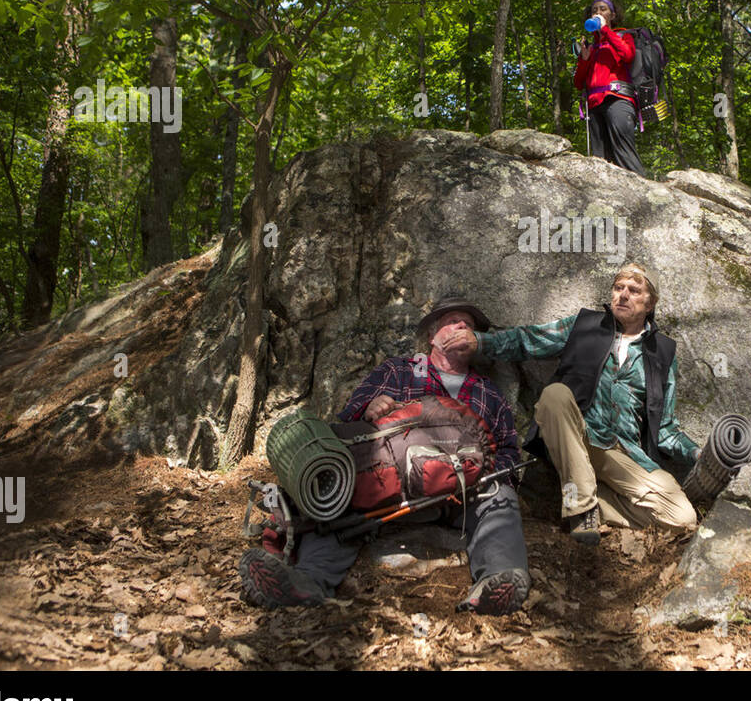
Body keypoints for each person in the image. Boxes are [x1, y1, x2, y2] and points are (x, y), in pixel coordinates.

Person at [239, 296, 530, 615]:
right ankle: (305, 583)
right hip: (387, 487)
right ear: (432, 337)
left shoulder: (489, 392)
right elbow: (343, 431)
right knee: (336, 495)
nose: (462, 327)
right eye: (452, 321)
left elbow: (508, 453)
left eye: (469, 325)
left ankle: (496, 581)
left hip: (459, 495)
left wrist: (485, 473)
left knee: (499, 496)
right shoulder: (397, 371)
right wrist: (369, 410)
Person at [474, 263, 698, 545]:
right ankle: (581, 509)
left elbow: (665, 429)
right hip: (576, 434)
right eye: (619, 288)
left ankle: (577, 495)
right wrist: (479, 342)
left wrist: (698, 453)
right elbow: (528, 340)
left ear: (650, 302)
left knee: (683, 519)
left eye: (634, 290)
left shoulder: (663, 353)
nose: (623, 295)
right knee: (555, 395)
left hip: (623, 451)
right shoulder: (585, 325)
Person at [574, 0, 648, 177]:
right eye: (594, 10)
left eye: (603, 9)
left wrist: (605, 30)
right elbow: (578, 83)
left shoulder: (624, 35)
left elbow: (628, 55)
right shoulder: (590, 46)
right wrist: (584, 60)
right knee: (599, 160)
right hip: (594, 105)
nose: (598, 13)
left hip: (618, 99)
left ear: (612, 15)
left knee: (624, 153)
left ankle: (644, 196)